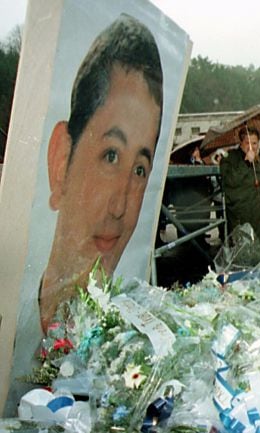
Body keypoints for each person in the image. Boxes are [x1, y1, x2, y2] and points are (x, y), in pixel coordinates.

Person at [41, 14, 163, 332]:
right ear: (60, 160)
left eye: (139, 169)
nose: (120, 207)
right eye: (110, 156)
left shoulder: (127, 344)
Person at [221, 127, 260, 254]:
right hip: (242, 217)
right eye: (247, 143)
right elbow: (230, 182)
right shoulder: (230, 159)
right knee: (245, 253)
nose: (251, 147)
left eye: (255, 143)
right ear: (241, 143)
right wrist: (246, 163)